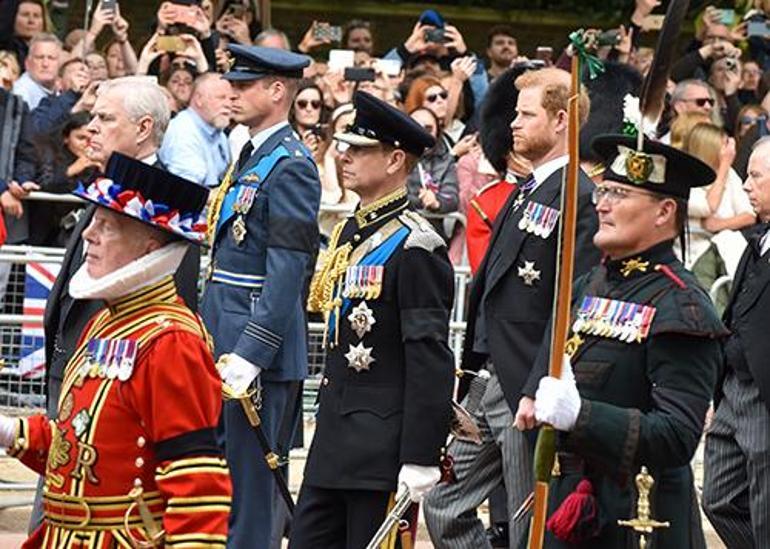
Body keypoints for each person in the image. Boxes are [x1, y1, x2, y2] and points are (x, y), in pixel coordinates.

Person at [0, 152, 232, 548]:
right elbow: (80, 445)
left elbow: (198, 481)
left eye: (106, 226)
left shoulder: (171, 340)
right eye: (93, 221)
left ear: (148, 246)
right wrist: (7, 430)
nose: (88, 234)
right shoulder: (107, 320)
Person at [423, 67, 600, 549]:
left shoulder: (578, 197)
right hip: (486, 376)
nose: (513, 125)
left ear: (562, 120)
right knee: (442, 502)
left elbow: (569, 302)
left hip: (525, 379)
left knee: (529, 519)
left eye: (525, 115)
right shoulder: (527, 188)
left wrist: (540, 382)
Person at [524, 133, 726, 547]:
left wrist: (583, 416)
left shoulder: (682, 306)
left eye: (619, 193)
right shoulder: (586, 284)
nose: (601, 203)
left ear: (664, 211)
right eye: (603, 190)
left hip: (636, 517)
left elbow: (676, 436)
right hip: (571, 506)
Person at [37, 75, 203, 533]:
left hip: (122, 404)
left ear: (144, 127)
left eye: (105, 118)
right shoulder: (106, 189)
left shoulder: (165, 207)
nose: (91, 128)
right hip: (76, 374)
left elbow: (194, 479)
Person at [291, 89, 454, 549]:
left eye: (360, 149)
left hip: (382, 450)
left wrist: (421, 455)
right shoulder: (352, 230)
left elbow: (429, 356)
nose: (343, 156)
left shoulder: (416, 245)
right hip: (335, 441)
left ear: (394, 160)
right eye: (344, 145)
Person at [201, 44, 320, 549]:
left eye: (245, 84)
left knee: (251, 492)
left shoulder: (290, 164)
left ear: (277, 92)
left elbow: (289, 267)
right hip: (225, 331)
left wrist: (253, 351)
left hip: (254, 348)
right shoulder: (252, 154)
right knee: (221, 481)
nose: (232, 92)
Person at [702, 135, 770, 548]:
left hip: (765, 395)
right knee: (718, 498)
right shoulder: (758, 238)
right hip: (733, 390)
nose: (745, 185)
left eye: (756, 177)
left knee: (767, 511)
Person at [159, 72, 233, 188]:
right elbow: (189, 192)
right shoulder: (182, 131)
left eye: (231, 99)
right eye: (221, 98)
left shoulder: (218, 131)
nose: (228, 104)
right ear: (199, 99)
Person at [406, 107, 459, 232]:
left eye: (428, 129)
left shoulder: (445, 159)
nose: (421, 133)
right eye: (415, 127)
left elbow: (452, 199)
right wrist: (419, 199)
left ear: (437, 131)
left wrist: (437, 202)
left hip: (432, 232)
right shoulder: (397, 158)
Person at [12, 32, 61, 110]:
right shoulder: (21, 93)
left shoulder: (57, 90)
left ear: (60, 63)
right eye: (39, 58)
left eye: (51, 58)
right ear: (27, 63)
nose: (45, 64)